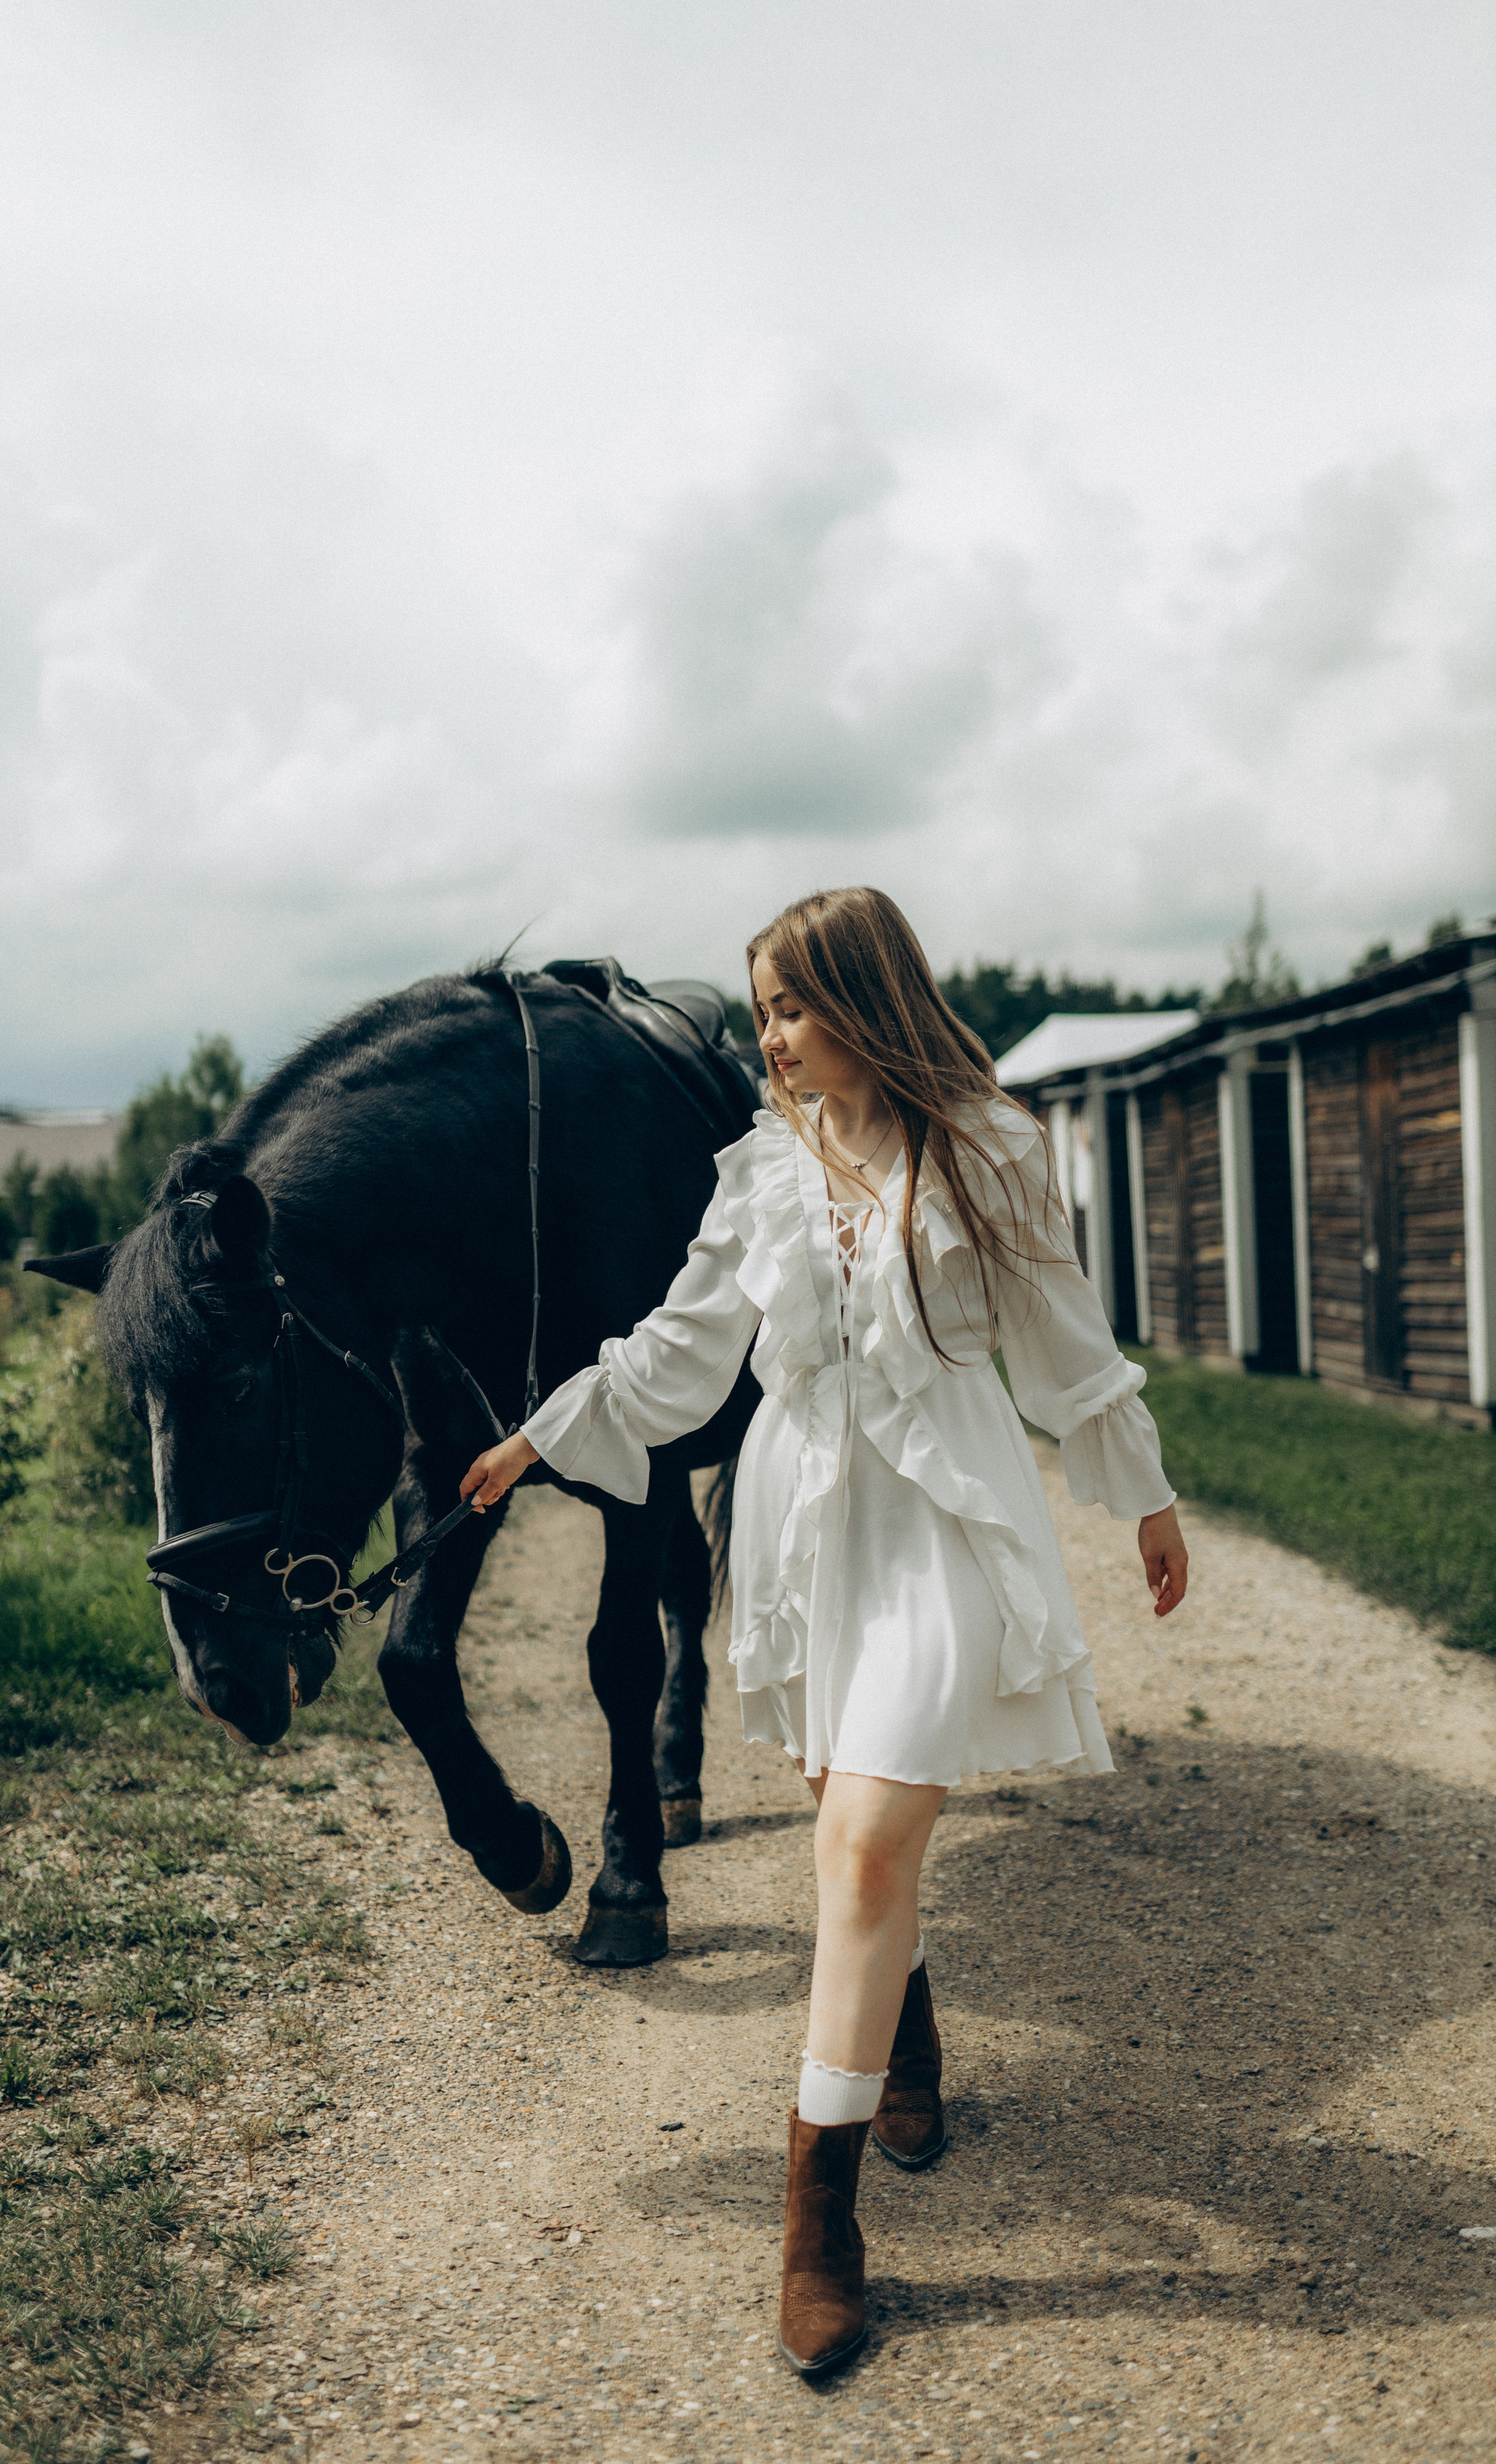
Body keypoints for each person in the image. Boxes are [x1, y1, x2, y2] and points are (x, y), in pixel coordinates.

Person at [461, 886, 1187, 2379]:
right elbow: (682, 1353)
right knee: (849, 1827)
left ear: (865, 995)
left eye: (791, 1006)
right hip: (800, 1529)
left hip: (940, 1522)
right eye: (762, 1013)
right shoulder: (758, 1174)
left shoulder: (987, 1149)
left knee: (857, 1853)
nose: (772, 1039)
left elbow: (1062, 1341)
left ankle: (817, 2229)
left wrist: (1142, 1492)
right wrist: (544, 1432)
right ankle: (899, 2031)